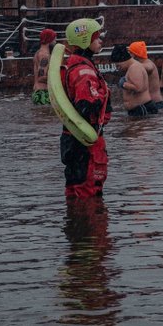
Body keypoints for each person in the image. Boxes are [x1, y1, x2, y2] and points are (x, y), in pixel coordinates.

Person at [60, 18, 111, 198]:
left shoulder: (72, 65)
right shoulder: (84, 71)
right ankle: (88, 216)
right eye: (96, 37)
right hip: (86, 141)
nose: (100, 41)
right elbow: (86, 104)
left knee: (75, 189)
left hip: (72, 137)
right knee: (89, 190)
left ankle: (75, 215)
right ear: (84, 40)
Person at [110, 45, 156, 116]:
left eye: (119, 66)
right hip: (139, 108)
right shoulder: (132, 67)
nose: (118, 68)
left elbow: (138, 88)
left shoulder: (135, 68)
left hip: (142, 108)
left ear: (124, 60)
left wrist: (124, 84)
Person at [129, 41, 163, 110]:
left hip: (155, 104)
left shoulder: (149, 64)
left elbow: (149, 67)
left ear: (135, 54)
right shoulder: (140, 64)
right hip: (149, 103)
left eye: (130, 53)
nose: (129, 55)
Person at [32, 27, 57, 105]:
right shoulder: (45, 55)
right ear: (49, 39)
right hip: (43, 93)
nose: (55, 41)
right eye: (54, 38)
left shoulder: (38, 52)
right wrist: (58, 78)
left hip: (38, 91)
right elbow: (41, 77)